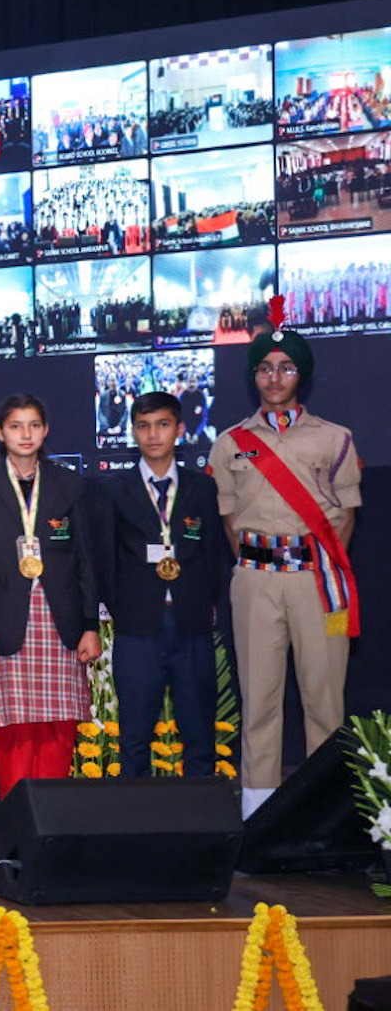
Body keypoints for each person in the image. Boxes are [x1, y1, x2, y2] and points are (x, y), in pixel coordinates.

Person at [212, 300, 361, 815]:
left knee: (324, 699)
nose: (275, 377)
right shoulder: (231, 441)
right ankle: (258, 809)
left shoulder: (334, 437)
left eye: (286, 367)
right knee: (260, 698)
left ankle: (322, 814)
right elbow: (229, 518)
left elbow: (345, 515)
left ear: (302, 374)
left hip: (318, 582)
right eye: (265, 368)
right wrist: (260, 561)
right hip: (255, 579)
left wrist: (312, 561)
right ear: (254, 375)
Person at [86, 393, 228, 780]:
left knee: (199, 733)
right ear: (133, 432)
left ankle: (202, 823)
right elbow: (104, 558)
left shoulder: (203, 490)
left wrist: (203, 605)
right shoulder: (114, 489)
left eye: (163, 424)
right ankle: (134, 826)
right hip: (138, 629)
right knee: (134, 736)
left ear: (179, 430)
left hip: (191, 627)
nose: (153, 435)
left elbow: (214, 556)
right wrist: (124, 609)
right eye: (144, 426)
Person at [0, 395, 100, 800]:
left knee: (58, 728)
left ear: (45, 430)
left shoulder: (70, 485)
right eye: (16, 426)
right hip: (4, 623)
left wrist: (90, 626)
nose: (26, 434)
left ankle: (52, 821)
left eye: (34, 425)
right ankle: (18, 824)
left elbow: (85, 562)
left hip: (61, 622)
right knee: (13, 732)